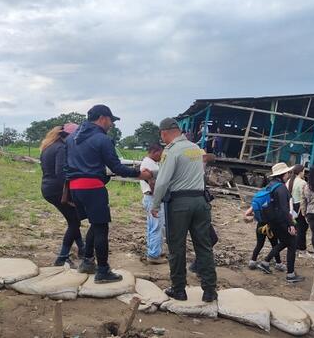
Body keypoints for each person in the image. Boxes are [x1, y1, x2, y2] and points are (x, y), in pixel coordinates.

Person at [65, 104, 152, 283]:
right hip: (92, 188)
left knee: (94, 225)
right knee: (101, 229)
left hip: (75, 188)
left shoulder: (72, 138)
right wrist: (139, 174)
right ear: (103, 118)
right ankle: (103, 271)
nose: (111, 124)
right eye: (111, 120)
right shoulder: (101, 139)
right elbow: (116, 167)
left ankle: (87, 262)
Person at [151, 118, 218, 302]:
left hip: (180, 204)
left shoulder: (171, 151)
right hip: (201, 201)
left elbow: (163, 181)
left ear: (164, 132)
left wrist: (155, 204)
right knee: (203, 246)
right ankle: (210, 290)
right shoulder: (195, 148)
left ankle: (179, 289)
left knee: (176, 247)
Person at [40, 123, 85, 266]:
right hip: (57, 190)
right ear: (69, 136)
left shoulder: (48, 147)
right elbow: (61, 174)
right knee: (74, 221)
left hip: (48, 187)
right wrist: (71, 193)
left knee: (73, 219)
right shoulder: (61, 148)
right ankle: (62, 257)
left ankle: (82, 249)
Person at [257, 163, 305, 283]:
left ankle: (265, 262)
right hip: (281, 221)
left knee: (285, 242)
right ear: (284, 174)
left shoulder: (271, 185)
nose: (289, 174)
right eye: (288, 172)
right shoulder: (281, 188)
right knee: (292, 244)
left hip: (272, 220)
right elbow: (284, 209)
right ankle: (290, 274)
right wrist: (291, 225)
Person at [140, 143, 167, 264]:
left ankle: (155, 250)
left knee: (155, 226)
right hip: (153, 198)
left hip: (151, 198)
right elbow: (152, 182)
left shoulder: (151, 163)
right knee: (156, 226)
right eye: (160, 153)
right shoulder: (149, 164)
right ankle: (154, 255)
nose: (161, 156)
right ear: (155, 152)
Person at [244, 206, 286, 272]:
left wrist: (256, 216)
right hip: (271, 226)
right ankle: (278, 263)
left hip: (260, 225)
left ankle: (252, 262)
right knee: (275, 245)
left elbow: (247, 213)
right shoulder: (272, 200)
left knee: (259, 244)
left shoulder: (260, 199)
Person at [287, 164, 309, 256]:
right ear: (300, 172)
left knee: (294, 227)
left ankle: (293, 247)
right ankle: (302, 249)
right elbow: (305, 196)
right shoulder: (302, 183)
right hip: (300, 207)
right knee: (302, 229)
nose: (304, 173)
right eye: (304, 171)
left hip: (291, 206)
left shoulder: (288, 181)